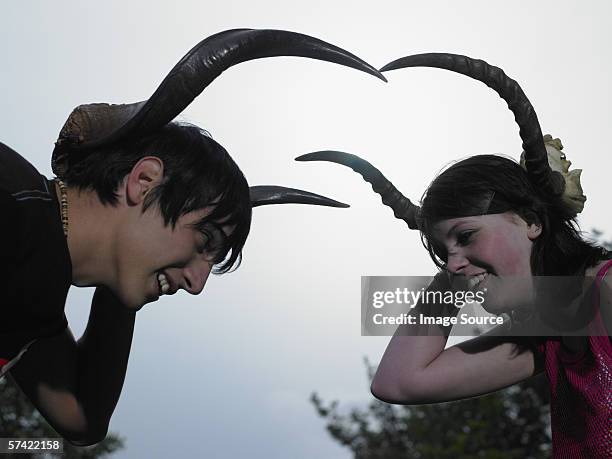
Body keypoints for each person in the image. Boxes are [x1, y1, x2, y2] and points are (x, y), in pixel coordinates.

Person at [0, 28, 385, 445]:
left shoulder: (32, 294)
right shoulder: (12, 207)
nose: (197, 284)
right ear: (144, 181)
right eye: (204, 242)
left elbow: (82, 419)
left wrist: (122, 280)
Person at [297, 54, 611, 458]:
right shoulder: (549, 336)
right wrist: (456, 267)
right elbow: (399, 382)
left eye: (467, 235)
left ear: (531, 220)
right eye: (442, 251)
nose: (450, 263)